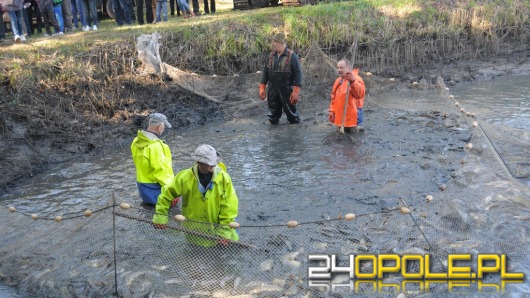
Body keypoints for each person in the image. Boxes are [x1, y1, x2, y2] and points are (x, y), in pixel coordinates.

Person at [152, 144, 239, 247]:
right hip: (194, 232)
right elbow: (166, 195)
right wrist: (160, 218)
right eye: (209, 164)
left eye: (214, 163)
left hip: (219, 233)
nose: (213, 166)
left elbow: (229, 207)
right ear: (199, 163)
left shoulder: (224, 179)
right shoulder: (184, 178)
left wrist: (224, 233)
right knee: (194, 254)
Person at [131, 113, 176, 205]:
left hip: (143, 189)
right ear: (160, 127)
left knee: (148, 214)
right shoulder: (157, 146)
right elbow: (162, 172)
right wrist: (172, 191)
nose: (163, 129)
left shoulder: (136, 141)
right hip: (156, 190)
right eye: (164, 126)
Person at [259, 32, 302, 125]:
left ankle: (295, 135)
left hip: (287, 90)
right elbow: (265, 73)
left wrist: (296, 91)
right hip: (272, 91)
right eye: (273, 42)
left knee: (292, 116)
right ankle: (273, 136)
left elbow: (298, 74)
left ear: (282, 43)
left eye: (276, 42)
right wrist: (262, 87)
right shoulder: (271, 56)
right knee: (273, 116)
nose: (273, 44)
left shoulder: (292, 56)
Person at [328, 59, 365, 133]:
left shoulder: (356, 79)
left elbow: (360, 94)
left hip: (353, 119)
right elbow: (333, 98)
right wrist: (332, 111)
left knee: (354, 139)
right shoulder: (338, 80)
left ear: (348, 68)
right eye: (338, 67)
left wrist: (352, 81)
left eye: (341, 68)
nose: (339, 70)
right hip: (339, 118)